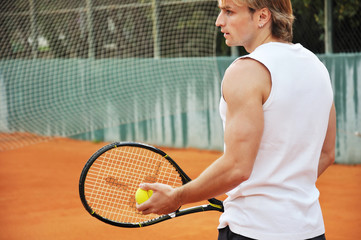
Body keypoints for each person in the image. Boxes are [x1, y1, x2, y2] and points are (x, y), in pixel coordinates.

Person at [137, 0, 336, 239]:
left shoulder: (245, 71)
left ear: (262, 17)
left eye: (229, 11)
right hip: (310, 230)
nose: (219, 21)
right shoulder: (317, 67)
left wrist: (177, 197)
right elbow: (326, 154)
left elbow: (237, 166)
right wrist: (279, 192)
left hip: (252, 231)